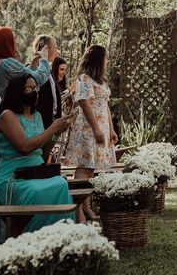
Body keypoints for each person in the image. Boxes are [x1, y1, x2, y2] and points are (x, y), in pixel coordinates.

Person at [0, 26, 52, 243]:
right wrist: (44, 59)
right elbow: (38, 78)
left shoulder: (0, 63)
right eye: (12, 40)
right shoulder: (7, 63)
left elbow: (24, 75)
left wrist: (28, 66)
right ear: (6, 43)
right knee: (4, 165)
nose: (16, 43)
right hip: (10, 116)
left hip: (5, 114)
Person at [0, 74, 73, 233]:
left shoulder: (37, 116)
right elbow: (24, 146)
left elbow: (43, 151)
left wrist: (56, 133)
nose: (33, 92)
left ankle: (61, 234)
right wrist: (52, 128)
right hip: (13, 174)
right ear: (17, 91)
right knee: (36, 191)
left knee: (61, 184)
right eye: (28, 88)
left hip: (36, 170)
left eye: (34, 88)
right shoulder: (7, 116)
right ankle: (35, 236)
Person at [62, 45, 117, 221]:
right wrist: (96, 129)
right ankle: (79, 207)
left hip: (102, 126)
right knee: (84, 167)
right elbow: (85, 103)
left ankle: (86, 205)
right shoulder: (84, 79)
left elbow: (105, 106)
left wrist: (111, 129)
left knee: (91, 168)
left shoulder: (101, 81)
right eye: (105, 57)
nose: (107, 61)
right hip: (88, 128)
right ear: (98, 60)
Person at [31, 35, 62, 131]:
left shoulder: (49, 72)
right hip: (38, 127)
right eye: (55, 47)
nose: (57, 52)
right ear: (46, 49)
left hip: (50, 126)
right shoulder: (34, 71)